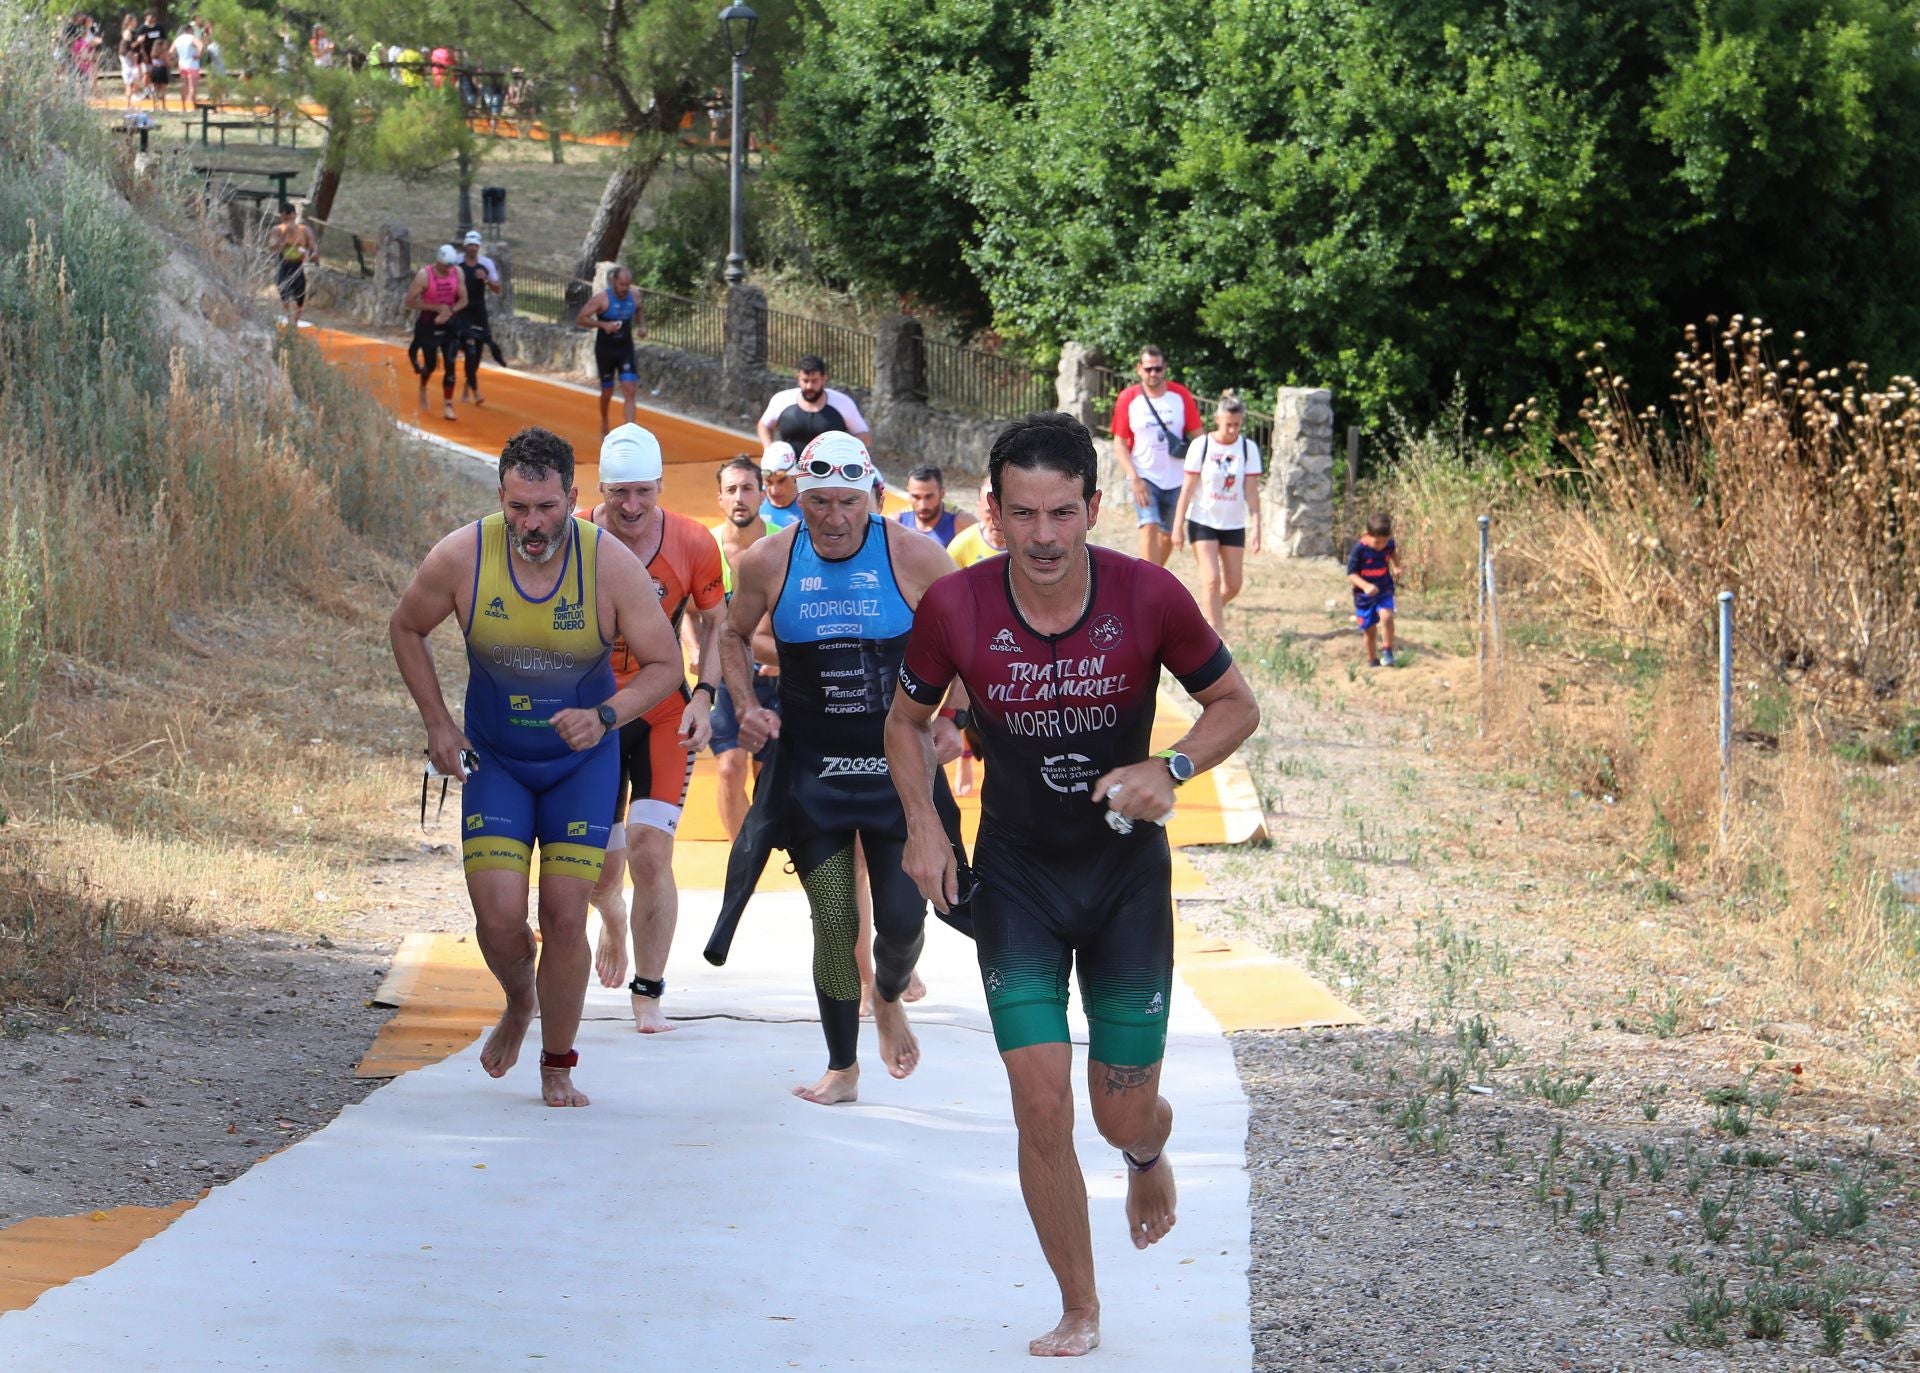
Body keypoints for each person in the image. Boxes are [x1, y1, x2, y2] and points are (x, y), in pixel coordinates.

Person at [886, 411, 1259, 1358]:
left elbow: (1234, 705)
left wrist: (1169, 772)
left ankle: (1146, 1150)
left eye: (1063, 514)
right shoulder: (957, 608)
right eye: (1024, 515)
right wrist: (925, 824)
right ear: (994, 513)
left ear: (1095, 507)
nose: (1044, 537)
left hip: (1125, 877)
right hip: (1016, 880)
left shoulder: (1149, 596)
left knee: (1118, 1105)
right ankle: (1080, 1305)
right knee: (1042, 1100)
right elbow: (903, 720)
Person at [389, 427, 683, 1107]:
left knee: (562, 912)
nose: (532, 523)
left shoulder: (609, 565)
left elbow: (667, 665)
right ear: (501, 497)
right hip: (497, 761)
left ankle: (558, 1061)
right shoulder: (463, 555)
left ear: (573, 500)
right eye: (518, 507)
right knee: (496, 918)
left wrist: (608, 714)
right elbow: (406, 626)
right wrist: (439, 723)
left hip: (580, 765)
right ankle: (520, 1000)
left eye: (546, 507)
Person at [713, 431, 964, 1105]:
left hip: (899, 775)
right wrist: (744, 702)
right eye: (816, 501)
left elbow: (973, 636)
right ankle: (843, 1066)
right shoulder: (769, 559)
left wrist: (953, 718)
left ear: (873, 498)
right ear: (797, 496)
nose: (830, 516)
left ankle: (886, 995)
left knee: (906, 921)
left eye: (845, 502)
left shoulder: (914, 555)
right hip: (814, 773)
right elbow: (730, 632)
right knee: (832, 918)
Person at [576, 426, 726, 1028]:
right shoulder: (573, 535)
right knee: (600, 868)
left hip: (662, 708)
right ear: (600, 490)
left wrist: (706, 698)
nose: (632, 508)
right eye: (619, 495)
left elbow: (718, 626)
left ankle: (649, 991)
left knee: (649, 850)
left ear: (661, 486)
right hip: (594, 714)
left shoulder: (692, 541)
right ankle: (609, 908)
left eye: (643, 493)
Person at [708, 456, 779, 840]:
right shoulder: (706, 546)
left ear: (762, 494)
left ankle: (763, 844)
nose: (739, 497)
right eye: (731, 490)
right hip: (728, 678)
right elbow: (690, 609)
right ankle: (742, 857)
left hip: (775, 679)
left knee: (766, 778)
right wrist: (691, 647)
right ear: (719, 498)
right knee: (728, 768)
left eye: (747, 488)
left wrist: (784, 659)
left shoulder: (784, 541)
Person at [1170, 391, 1263, 632]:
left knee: (1233, 584)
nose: (1232, 430)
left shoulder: (1248, 448)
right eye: (1228, 424)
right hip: (1203, 520)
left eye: (1237, 425)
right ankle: (1216, 634)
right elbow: (1188, 489)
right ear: (1218, 420)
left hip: (1233, 523)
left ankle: (1204, 615)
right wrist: (1178, 525)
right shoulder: (1201, 446)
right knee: (1211, 579)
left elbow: (1251, 492)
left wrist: (1257, 526)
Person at [1110, 346, 1203, 568]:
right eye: (1149, 369)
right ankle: (1146, 588)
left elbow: (1198, 436)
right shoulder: (1128, 398)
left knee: (1167, 536)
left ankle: (1152, 578)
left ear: (1165, 369)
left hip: (1177, 478)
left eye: (1158, 368)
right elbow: (1120, 444)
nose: (1153, 373)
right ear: (1139, 369)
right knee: (1148, 525)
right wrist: (1134, 478)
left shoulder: (1179, 395)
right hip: (1145, 476)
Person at [576, 266, 645, 437]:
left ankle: (630, 432)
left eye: (627, 285)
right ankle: (605, 421)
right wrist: (603, 325)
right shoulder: (602, 299)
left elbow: (639, 309)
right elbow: (581, 318)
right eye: (621, 284)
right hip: (605, 350)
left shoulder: (634, 296)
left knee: (629, 389)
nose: (624, 289)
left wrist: (642, 326)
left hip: (625, 349)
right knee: (607, 392)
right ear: (614, 281)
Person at [755, 355, 870, 452]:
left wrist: (843, 452)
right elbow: (764, 425)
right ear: (798, 378)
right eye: (805, 381)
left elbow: (864, 435)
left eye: (814, 381)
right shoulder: (782, 400)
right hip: (789, 472)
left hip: (828, 473)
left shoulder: (842, 403)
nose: (809, 386)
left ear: (824, 379)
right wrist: (769, 451)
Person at [406, 246, 468, 419]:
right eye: (445, 266)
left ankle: (448, 404)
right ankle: (423, 385)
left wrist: (449, 311)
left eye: (451, 266)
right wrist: (436, 308)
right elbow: (410, 301)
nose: (448, 269)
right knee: (431, 364)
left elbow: (464, 299)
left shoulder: (457, 273)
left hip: (449, 322)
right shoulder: (424, 275)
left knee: (450, 362)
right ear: (438, 262)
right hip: (429, 323)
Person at [454, 229, 503, 407]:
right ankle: (475, 391)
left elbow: (498, 289)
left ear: (479, 247)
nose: (472, 248)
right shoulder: (456, 261)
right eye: (469, 245)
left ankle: (468, 386)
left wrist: (486, 281)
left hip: (478, 312)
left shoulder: (486, 264)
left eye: (475, 245)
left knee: (477, 351)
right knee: (470, 348)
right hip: (461, 310)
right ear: (465, 246)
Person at [1347, 512, 1400, 668]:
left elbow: (1392, 553)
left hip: (1384, 588)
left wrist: (1396, 566)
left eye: (1384, 542)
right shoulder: (1359, 550)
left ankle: (1388, 652)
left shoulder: (1389, 544)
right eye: (1377, 542)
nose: (1381, 546)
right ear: (1367, 535)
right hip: (1364, 596)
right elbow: (1351, 574)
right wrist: (1365, 586)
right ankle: (1372, 660)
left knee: (1387, 616)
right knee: (1369, 631)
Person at [895, 464, 975, 547]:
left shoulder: (963, 523)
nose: (923, 506)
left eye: (929, 497)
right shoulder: (896, 523)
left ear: (942, 493)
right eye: (916, 497)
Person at [266, 204, 319, 331]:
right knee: (288, 297)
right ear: (281, 217)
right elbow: (273, 248)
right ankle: (291, 323)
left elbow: (313, 248)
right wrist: (284, 237)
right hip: (284, 266)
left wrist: (311, 255)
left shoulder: (304, 230)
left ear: (295, 215)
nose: (289, 222)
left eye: (291, 218)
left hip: (298, 267)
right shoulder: (277, 230)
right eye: (285, 219)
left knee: (299, 298)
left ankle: (293, 322)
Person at [946, 474, 1007, 569]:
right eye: (989, 512)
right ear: (979, 506)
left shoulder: (1030, 545)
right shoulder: (961, 546)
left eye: (1004, 512)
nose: (997, 521)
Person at [757, 442, 800, 528]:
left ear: (795, 474)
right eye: (768, 482)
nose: (774, 491)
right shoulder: (754, 499)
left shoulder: (810, 505)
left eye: (781, 481)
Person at [171, 22, 201, 108]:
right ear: (189, 30)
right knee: (193, 86)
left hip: (182, 64)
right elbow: (200, 45)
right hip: (192, 64)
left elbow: (171, 52)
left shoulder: (177, 39)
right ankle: (193, 106)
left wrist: (176, 59)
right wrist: (198, 55)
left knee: (184, 85)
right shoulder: (192, 38)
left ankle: (183, 106)